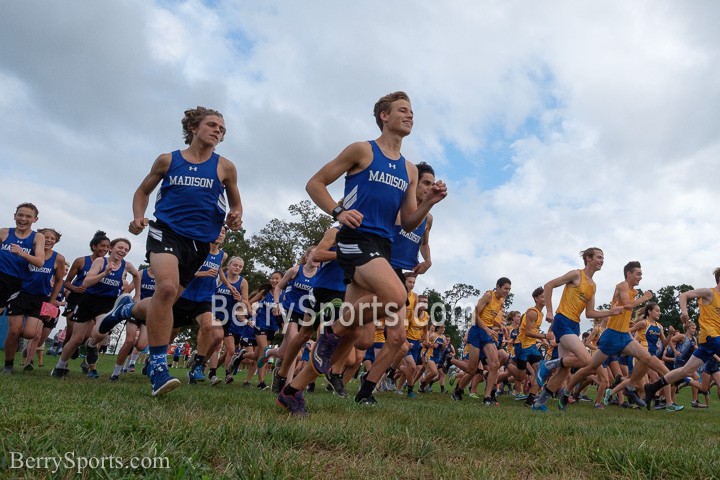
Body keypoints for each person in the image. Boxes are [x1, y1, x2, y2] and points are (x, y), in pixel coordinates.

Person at [295, 91, 446, 414]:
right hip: (355, 237)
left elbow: (407, 220)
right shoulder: (362, 150)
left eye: (412, 112)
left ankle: (293, 391)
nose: (410, 116)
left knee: (355, 333)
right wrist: (337, 212)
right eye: (402, 110)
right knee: (394, 297)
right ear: (384, 116)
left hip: (382, 246)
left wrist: (429, 201)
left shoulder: (409, 169)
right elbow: (315, 183)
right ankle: (330, 332)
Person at [102, 107, 243, 397]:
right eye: (212, 125)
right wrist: (138, 216)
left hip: (199, 244)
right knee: (165, 289)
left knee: (161, 300)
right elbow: (142, 191)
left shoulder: (225, 167)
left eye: (222, 129)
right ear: (193, 127)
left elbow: (236, 204)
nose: (218, 131)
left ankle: (127, 309)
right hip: (165, 231)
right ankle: (158, 366)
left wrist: (236, 216)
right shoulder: (168, 160)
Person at [532, 247, 622, 411]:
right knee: (587, 360)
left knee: (564, 370)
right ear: (588, 258)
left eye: (603, 258)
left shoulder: (593, 286)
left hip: (575, 324)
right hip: (562, 320)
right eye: (599, 257)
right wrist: (550, 310)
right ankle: (547, 365)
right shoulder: (576, 274)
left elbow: (590, 313)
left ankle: (539, 403)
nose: (602, 260)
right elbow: (549, 285)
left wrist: (611, 312)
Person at [559, 261, 654, 409]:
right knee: (589, 368)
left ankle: (630, 388)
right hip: (611, 336)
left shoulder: (634, 291)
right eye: (638, 274)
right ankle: (566, 392)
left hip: (624, 336)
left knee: (646, 358)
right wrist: (645, 298)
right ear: (629, 274)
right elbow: (628, 304)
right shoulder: (622, 285)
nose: (641, 277)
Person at [51, 238, 141, 378]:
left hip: (107, 303)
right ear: (111, 248)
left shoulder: (126, 266)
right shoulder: (100, 261)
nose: (122, 251)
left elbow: (137, 275)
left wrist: (137, 296)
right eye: (120, 247)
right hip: (88, 300)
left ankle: (92, 344)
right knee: (76, 339)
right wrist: (104, 273)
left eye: (126, 249)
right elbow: (86, 282)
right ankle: (60, 366)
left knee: (102, 333)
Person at [644, 269, 720, 408]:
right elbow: (683, 295)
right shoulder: (709, 293)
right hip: (711, 336)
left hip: (710, 343)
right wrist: (684, 313)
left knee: (685, 371)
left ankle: (652, 388)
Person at [4, 228, 65, 373]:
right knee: (13, 332)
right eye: (46, 237)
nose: (49, 240)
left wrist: (51, 301)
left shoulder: (58, 259)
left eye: (52, 238)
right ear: (39, 238)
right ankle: (8, 365)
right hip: (20, 294)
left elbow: (58, 281)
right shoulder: (27, 252)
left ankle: (20, 345)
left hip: (40, 298)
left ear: (56, 241)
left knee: (31, 334)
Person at [450, 277, 511, 405]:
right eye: (505, 288)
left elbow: (489, 317)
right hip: (477, 331)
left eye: (509, 289)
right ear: (498, 287)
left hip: (487, 334)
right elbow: (474, 316)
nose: (507, 291)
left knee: (494, 365)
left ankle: (488, 397)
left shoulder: (501, 301)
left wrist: (500, 326)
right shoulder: (489, 295)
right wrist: (486, 329)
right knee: (472, 369)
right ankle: (457, 388)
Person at [0, 203, 46, 312]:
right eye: (20, 215)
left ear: (35, 219)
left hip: (13, 280)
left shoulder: (38, 237)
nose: (23, 219)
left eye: (28, 216)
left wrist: (22, 253)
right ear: (14, 216)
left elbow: (40, 262)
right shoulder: (4, 232)